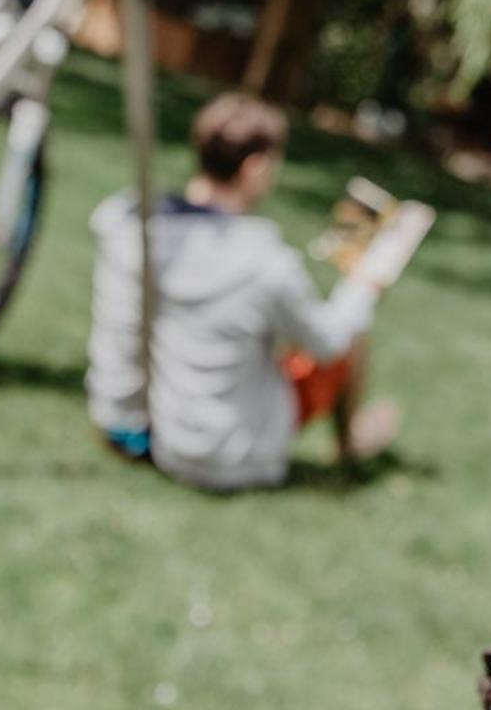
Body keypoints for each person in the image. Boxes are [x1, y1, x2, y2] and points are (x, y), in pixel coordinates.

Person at [86, 92, 399, 491]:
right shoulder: (262, 261)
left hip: (124, 423)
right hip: (222, 453)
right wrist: (364, 286)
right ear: (254, 167)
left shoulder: (127, 221)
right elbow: (328, 342)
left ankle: (355, 435)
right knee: (349, 331)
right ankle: (351, 443)